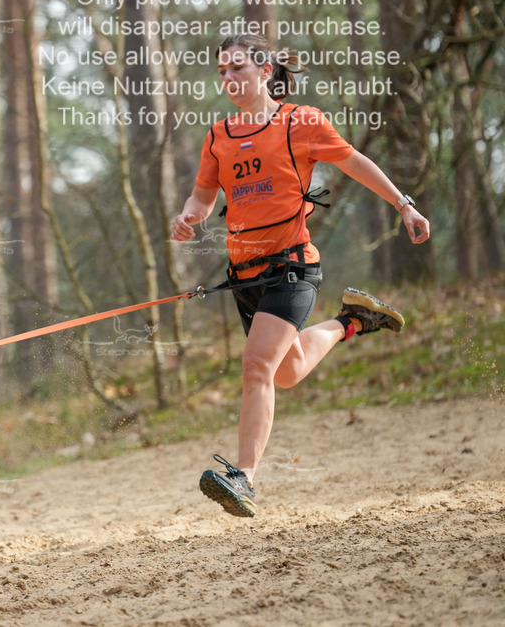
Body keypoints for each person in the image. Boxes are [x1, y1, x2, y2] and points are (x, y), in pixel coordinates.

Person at [170, 34, 431, 518]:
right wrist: (189, 216)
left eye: (237, 68)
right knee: (286, 372)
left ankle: (244, 477)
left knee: (256, 367)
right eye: (222, 71)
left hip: (292, 267)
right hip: (244, 277)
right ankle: (353, 321)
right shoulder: (218, 136)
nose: (228, 78)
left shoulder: (300, 122)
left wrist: (404, 205)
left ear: (265, 71)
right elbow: (203, 196)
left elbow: (354, 163)